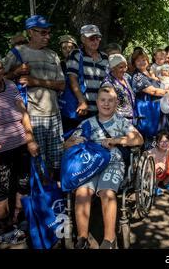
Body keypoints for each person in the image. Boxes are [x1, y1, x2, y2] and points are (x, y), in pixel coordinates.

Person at [64, 86, 143, 249]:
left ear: (116, 103)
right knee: (82, 193)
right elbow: (66, 144)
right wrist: (73, 142)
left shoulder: (122, 122)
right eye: (103, 100)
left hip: (114, 163)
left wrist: (117, 140)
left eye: (110, 100)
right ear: (97, 102)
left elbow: (139, 139)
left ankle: (109, 239)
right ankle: (82, 238)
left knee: (107, 193)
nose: (106, 104)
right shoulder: (87, 123)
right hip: (90, 165)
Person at [4, 15, 65, 178]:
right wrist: (15, 72)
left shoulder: (53, 55)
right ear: (30, 32)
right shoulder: (17, 53)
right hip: (32, 117)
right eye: (43, 32)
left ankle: (54, 198)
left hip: (54, 115)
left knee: (57, 162)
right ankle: (39, 198)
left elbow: (61, 84)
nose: (48, 36)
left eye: (49, 32)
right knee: (38, 163)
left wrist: (35, 81)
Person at [0, 51, 39, 244]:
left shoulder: (10, 86)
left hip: (20, 145)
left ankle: (20, 218)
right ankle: (6, 226)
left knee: (23, 183)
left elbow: (23, 113)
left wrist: (30, 139)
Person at [65, 24, 109, 126]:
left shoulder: (105, 57)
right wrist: (81, 101)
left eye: (98, 38)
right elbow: (72, 79)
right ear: (83, 39)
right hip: (82, 109)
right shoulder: (76, 55)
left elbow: (107, 82)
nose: (95, 41)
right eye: (91, 38)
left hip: (101, 108)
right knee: (80, 139)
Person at [131, 51, 169, 148]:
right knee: (151, 142)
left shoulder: (149, 73)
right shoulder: (137, 77)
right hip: (148, 113)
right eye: (138, 60)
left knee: (162, 139)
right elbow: (153, 91)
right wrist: (168, 91)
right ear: (134, 63)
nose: (142, 62)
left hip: (159, 112)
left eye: (144, 59)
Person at [100, 54, 135, 123]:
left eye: (126, 66)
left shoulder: (126, 77)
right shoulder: (108, 84)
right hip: (118, 120)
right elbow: (107, 105)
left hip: (130, 118)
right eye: (121, 67)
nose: (124, 70)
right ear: (113, 68)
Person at [148, 130, 169, 196]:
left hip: (165, 172)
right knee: (160, 166)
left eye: (166, 141)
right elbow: (148, 167)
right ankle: (155, 186)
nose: (164, 144)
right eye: (161, 142)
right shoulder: (152, 152)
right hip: (155, 174)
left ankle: (166, 182)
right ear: (157, 143)